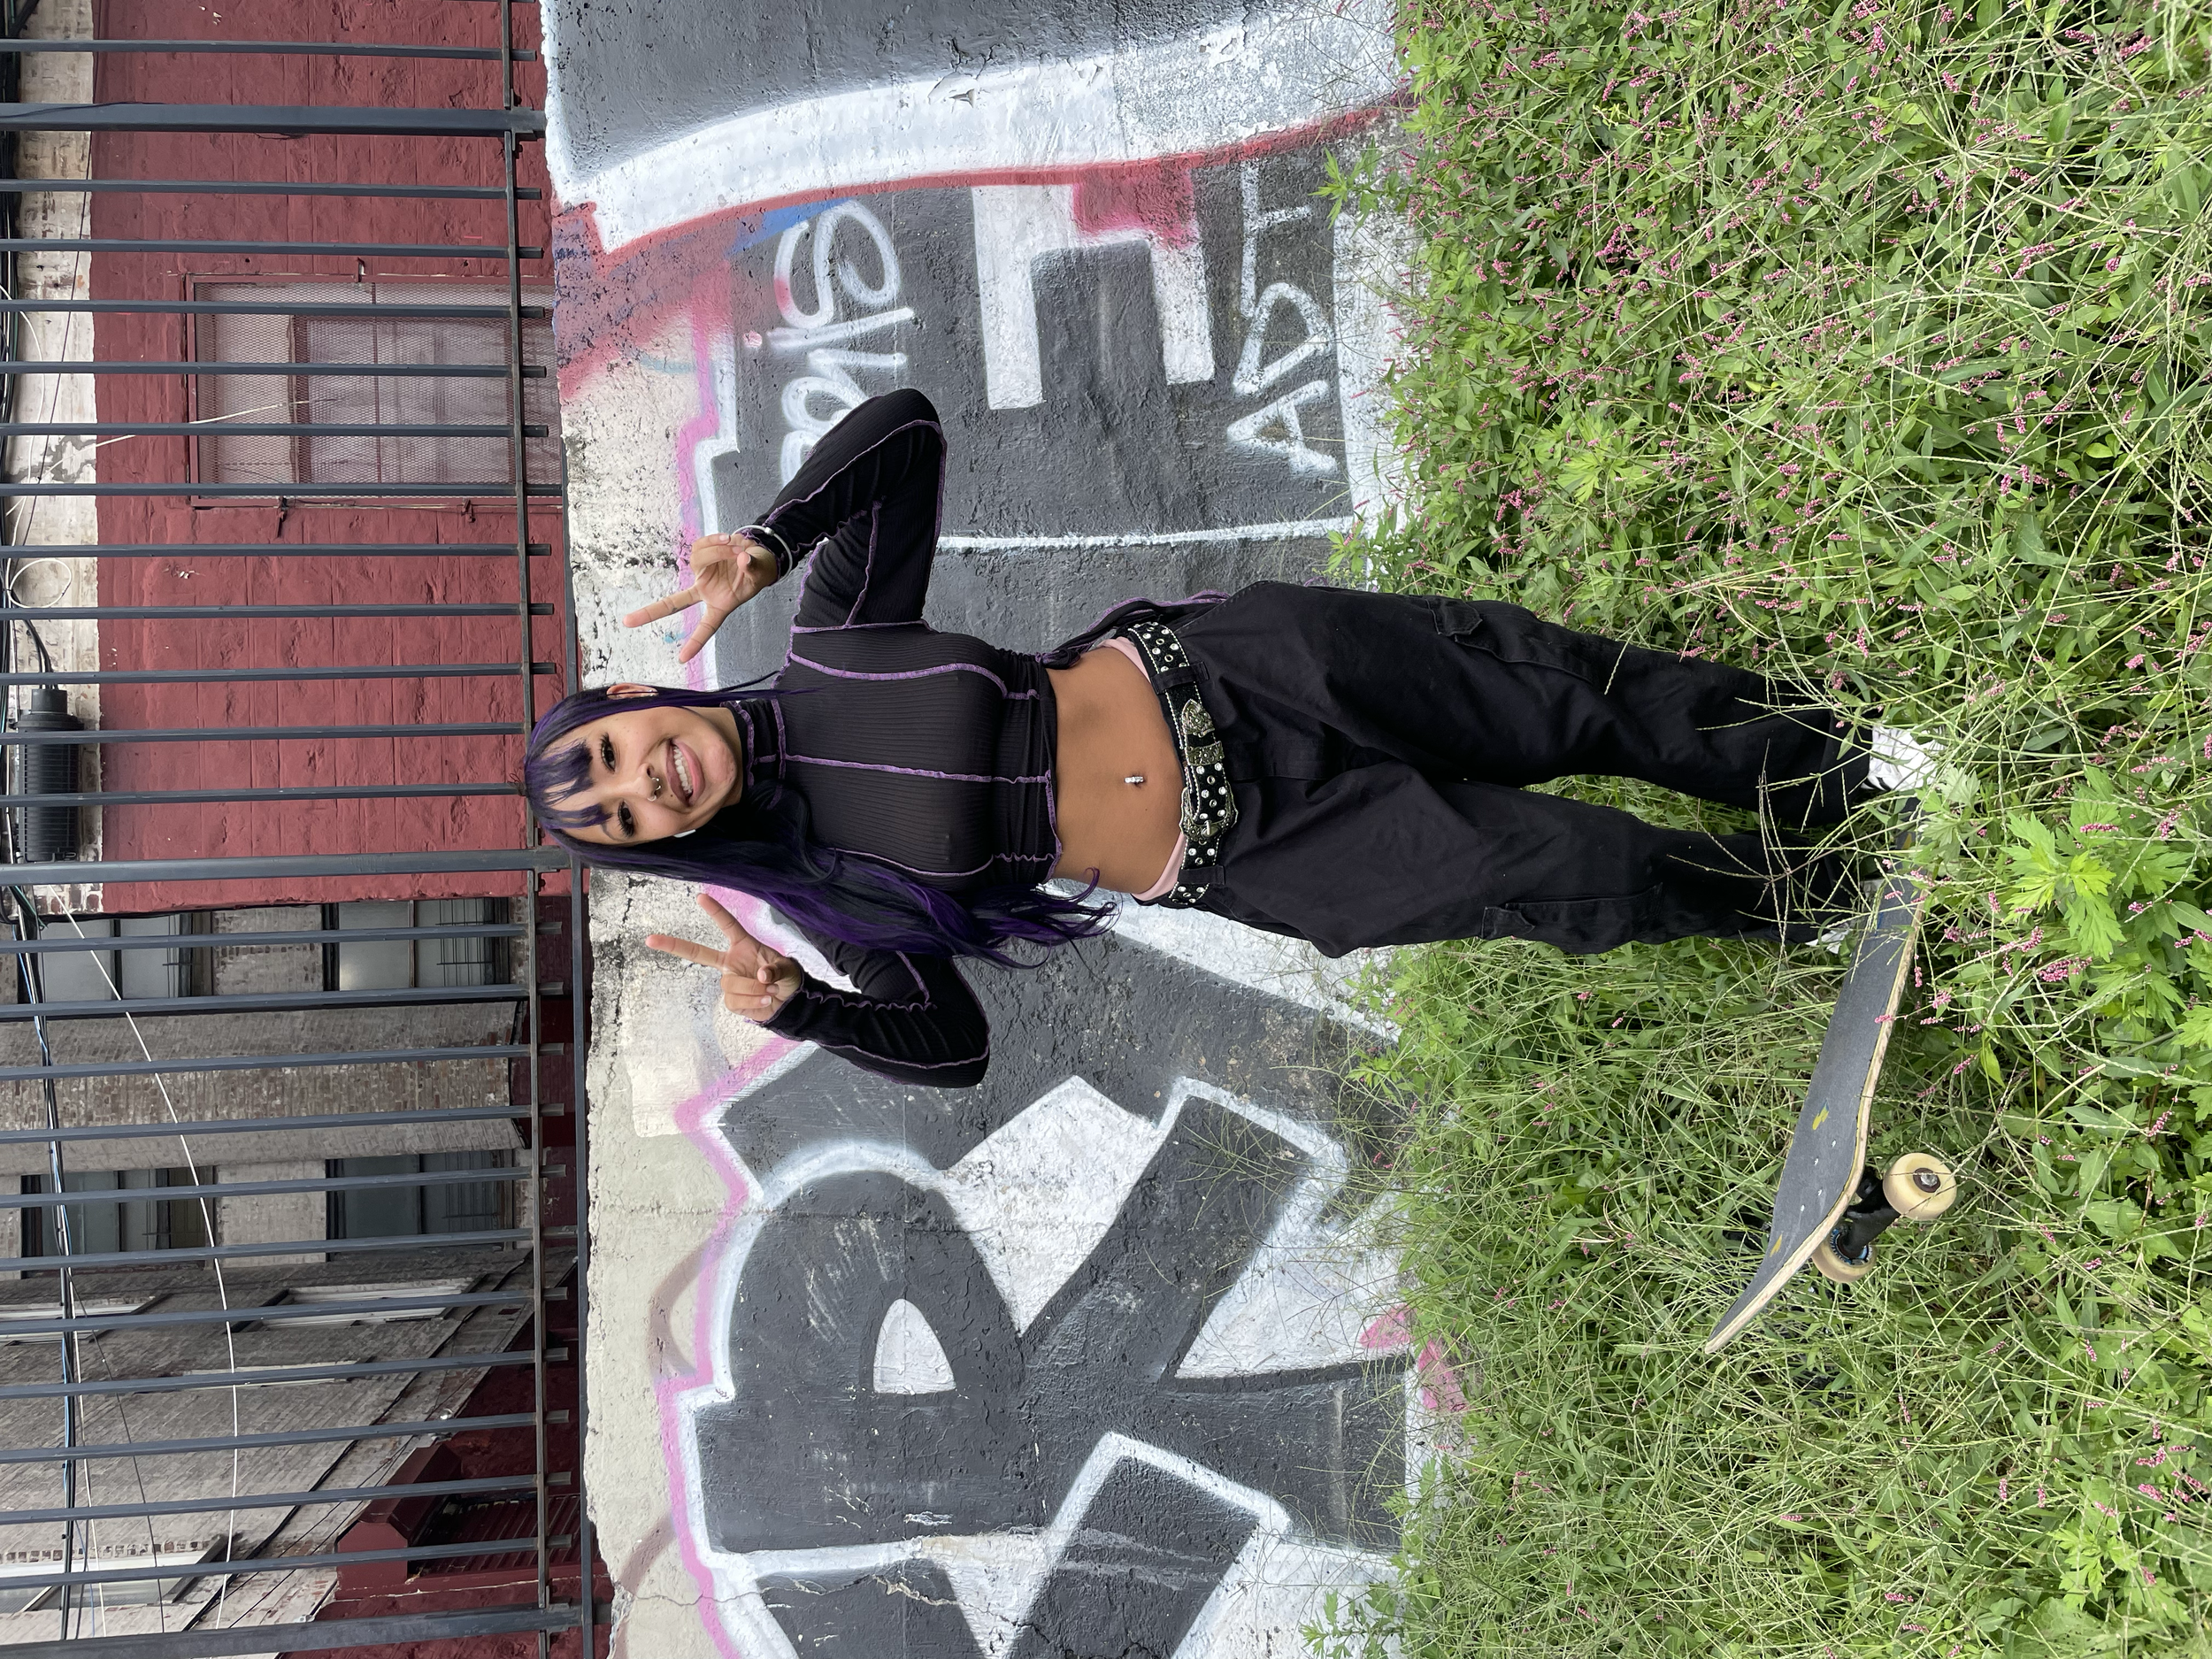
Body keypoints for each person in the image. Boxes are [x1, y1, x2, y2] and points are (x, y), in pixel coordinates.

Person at [526, 388, 1928, 1087]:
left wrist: (773, 538)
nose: (646, 782)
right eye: (629, 819)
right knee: (1575, 873)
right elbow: (951, 1046)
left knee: (1564, 695)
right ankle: (1815, 903)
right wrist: (811, 1006)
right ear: (670, 840)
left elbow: (908, 432)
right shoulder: (843, 889)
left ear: (635, 699)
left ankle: (1844, 772)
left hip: (1254, 671)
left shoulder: (830, 632)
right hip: (1264, 852)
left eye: (615, 753)